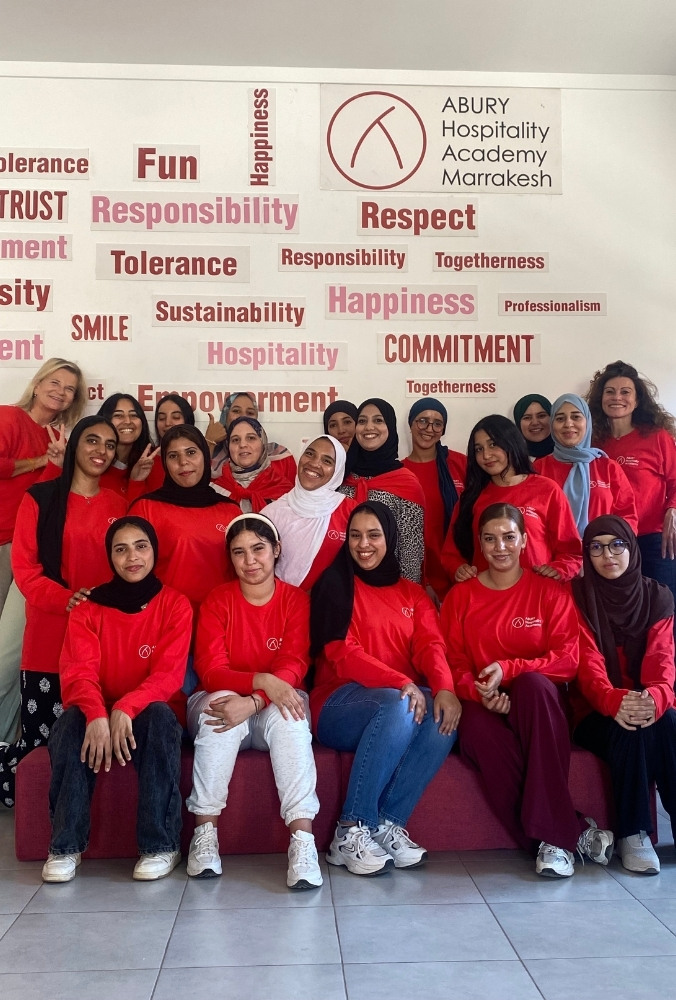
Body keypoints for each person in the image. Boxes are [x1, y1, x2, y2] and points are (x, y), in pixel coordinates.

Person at [441, 502, 614, 878]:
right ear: (480, 545)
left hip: (539, 704)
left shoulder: (549, 591)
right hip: (483, 702)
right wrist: (479, 690)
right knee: (475, 731)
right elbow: (452, 662)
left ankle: (554, 838)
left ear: (523, 541)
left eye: (508, 537)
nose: (499, 547)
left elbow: (568, 659)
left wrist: (509, 670)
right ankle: (564, 835)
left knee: (533, 686)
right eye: (490, 539)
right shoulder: (460, 597)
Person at [310, 501, 460, 876]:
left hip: (397, 702)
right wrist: (402, 682)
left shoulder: (411, 593)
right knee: (400, 703)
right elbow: (341, 653)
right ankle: (350, 830)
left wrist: (444, 687)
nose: (364, 544)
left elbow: (430, 645)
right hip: (337, 704)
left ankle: (386, 824)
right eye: (355, 535)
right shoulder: (335, 584)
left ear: (389, 539)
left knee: (442, 713)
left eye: (374, 535)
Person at [41, 516, 192, 882]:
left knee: (157, 717)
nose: (132, 557)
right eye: (120, 549)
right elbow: (79, 672)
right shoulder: (89, 607)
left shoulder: (175, 604)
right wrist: (97, 713)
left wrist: (125, 707)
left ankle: (160, 845)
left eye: (141, 546)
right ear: (110, 557)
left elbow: (168, 677)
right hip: (98, 706)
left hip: (151, 709)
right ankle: (65, 847)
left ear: (154, 551)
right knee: (69, 723)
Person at [185, 513, 322, 890]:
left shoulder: (296, 600)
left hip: (271, 705)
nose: (250, 561)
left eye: (258, 549)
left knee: (291, 714)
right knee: (221, 708)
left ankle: (302, 842)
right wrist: (261, 683)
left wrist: (257, 701)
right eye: (239, 552)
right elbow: (211, 670)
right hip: (223, 698)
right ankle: (205, 836)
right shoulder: (217, 600)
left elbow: (294, 663)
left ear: (276, 550)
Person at [0, 416, 127, 808]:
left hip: (99, 642)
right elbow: (25, 569)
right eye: (92, 440)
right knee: (42, 742)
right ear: (74, 445)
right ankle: (35, 815)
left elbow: (128, 570)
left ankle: (80, 822)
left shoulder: (119, 505)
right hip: (48, 636)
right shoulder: (40, 498)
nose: (100, 451)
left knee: (90, 740)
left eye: (109, 444)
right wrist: (66, 599)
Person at [572, 515, 676, 874]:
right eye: (596, 547)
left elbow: (663, 660)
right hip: (591, 710)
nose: (608, 555)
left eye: (617, 545)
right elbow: (587, 665)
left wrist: (655, 698)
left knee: (670, 721)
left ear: (631, 548)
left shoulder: (657, 596)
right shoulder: (578, 596)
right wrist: (615, 701)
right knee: (629, 728)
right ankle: (633, 833)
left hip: (645, 700)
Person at [0, 358, 86, 743]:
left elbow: (48, 499)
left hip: (25, 551)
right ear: (37, 384)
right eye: (55, 382)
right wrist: (40, 460)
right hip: (2, 541)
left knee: (10, 654)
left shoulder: (60, 438)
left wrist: (55, 464)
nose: (60, 392)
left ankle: (7, 746)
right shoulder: (9, 418)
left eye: (69, 389)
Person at [586, 360, 676, 643]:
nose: (617, 398)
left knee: (663, 613)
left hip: (653, 540)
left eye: (626, 392)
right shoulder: (592, 442)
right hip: (608, 545)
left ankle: (666, 684)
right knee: (620, 619)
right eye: (610, 391)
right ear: (600, 399)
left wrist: (673, 508)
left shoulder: (657, 437)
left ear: (638, 400)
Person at [441, 414, 581, 584]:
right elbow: (451, 554)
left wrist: (559, 569)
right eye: (479, 449)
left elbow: (571, 551)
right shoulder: (470, 498)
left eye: (493, 445)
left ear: (511, 443)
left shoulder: (547, 490)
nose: (486, 455)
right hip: (488, 600)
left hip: (537, 596)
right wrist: (459, 569)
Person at [131, 425, 240, 632]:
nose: (183, 462)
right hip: (164, 626)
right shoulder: (146, 508)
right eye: (173, 456)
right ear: (164, 463)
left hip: (221, 626)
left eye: (191, 452)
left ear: (204, 456)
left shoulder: (230, 510)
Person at [340, 398, 426, 584]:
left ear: (390, 427)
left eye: (378, 420)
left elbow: (410, 550)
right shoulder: (342, 476)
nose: (369, 427)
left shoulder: (406, 482)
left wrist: (407, 596)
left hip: (388, 585)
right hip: (343, 581)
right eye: (362, 421)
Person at [535, 393, 637, 534]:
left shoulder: (608, 467)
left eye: (576, 417)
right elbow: (533, 520)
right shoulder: (539, 468)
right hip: (555, 554)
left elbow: (627, 516)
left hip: (603, 552)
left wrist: (611, 546)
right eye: (560, 419)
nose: (568, 424)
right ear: (552, 425)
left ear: (587, 422)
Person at [265, 435, 358, 590]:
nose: (315, 463)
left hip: (331, 608)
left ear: (337, 471)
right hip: (283, 606)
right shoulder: (272, 513)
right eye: (309, 453)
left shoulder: (351, 512)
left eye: (327, 461)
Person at [402, 397, 466, 600]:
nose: (429, 428)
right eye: (422, 420)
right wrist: (424, 581)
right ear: (411, 424)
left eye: (437, 423)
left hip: (461, 573)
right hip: (416, 580)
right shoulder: (398, 472)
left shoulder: (461, 464)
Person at [211, 416, 294, 512]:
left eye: (251, 438)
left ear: (263, 443)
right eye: (235, 440)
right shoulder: (215, 490)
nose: (242, 445)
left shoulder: (284, 491)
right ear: (228, 447)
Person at [209, 391, 297, 482]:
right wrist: (209, 442)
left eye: (250, 413)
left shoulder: (279, 456)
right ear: (225, 416)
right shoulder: (211, 453)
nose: (243, 416)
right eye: (236, 411)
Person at [97, 393, 162, 498]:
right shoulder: (93, 464)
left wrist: (136, 482)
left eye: (133, 415)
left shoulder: (153, 464)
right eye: (118, 415)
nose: (127, 421)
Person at [513, 394, 554, 459]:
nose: (535, 423)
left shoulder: (568, 456)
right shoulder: (512, 459)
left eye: (541, 416)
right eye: (527, 418)